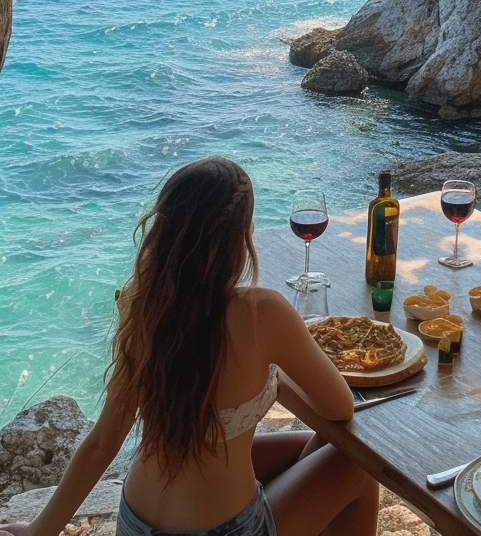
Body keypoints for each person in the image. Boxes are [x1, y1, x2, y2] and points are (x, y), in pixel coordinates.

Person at [0, 158, 378, 536]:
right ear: (241, 237)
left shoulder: (143, 305)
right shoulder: (262, 312)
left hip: (135, 523)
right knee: (358, 465)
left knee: (304, 453)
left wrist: (39, 530)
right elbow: (339, 406)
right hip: (228, 530)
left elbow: (103, 441)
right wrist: (276, 365)